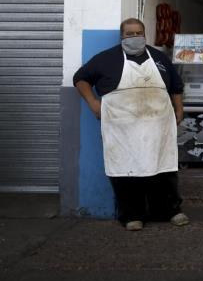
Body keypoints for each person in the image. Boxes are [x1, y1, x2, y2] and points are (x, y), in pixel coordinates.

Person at [73, 17, 188, 231]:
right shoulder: (106, 59)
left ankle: (169, 211)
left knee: (163, 169)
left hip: (158, 127)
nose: (134, 37)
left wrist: (179, 109)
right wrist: (93, 103)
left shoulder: (160, 58)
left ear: (144, 35)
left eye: (138, 33)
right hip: (121, 129)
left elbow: (176, 86)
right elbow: (80, 78)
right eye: (129, 34)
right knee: (125, 171)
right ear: (121, 36)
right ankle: (131, 216)